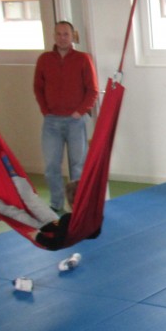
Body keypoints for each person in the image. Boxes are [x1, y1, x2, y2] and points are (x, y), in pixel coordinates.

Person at [33, 20, 98, 213]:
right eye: (59, 34)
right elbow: (38, 88)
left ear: (72, 36)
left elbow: (92, 90)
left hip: (76, 121)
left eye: (66, 34)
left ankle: (78, 204)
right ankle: (56, 203)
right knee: (51, 166)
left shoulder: (83, 59)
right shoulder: (44, 60)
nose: (62, 38)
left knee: (78, 166)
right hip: (51, 121)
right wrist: (45, 111)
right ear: (54, 36)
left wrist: (80, 111)